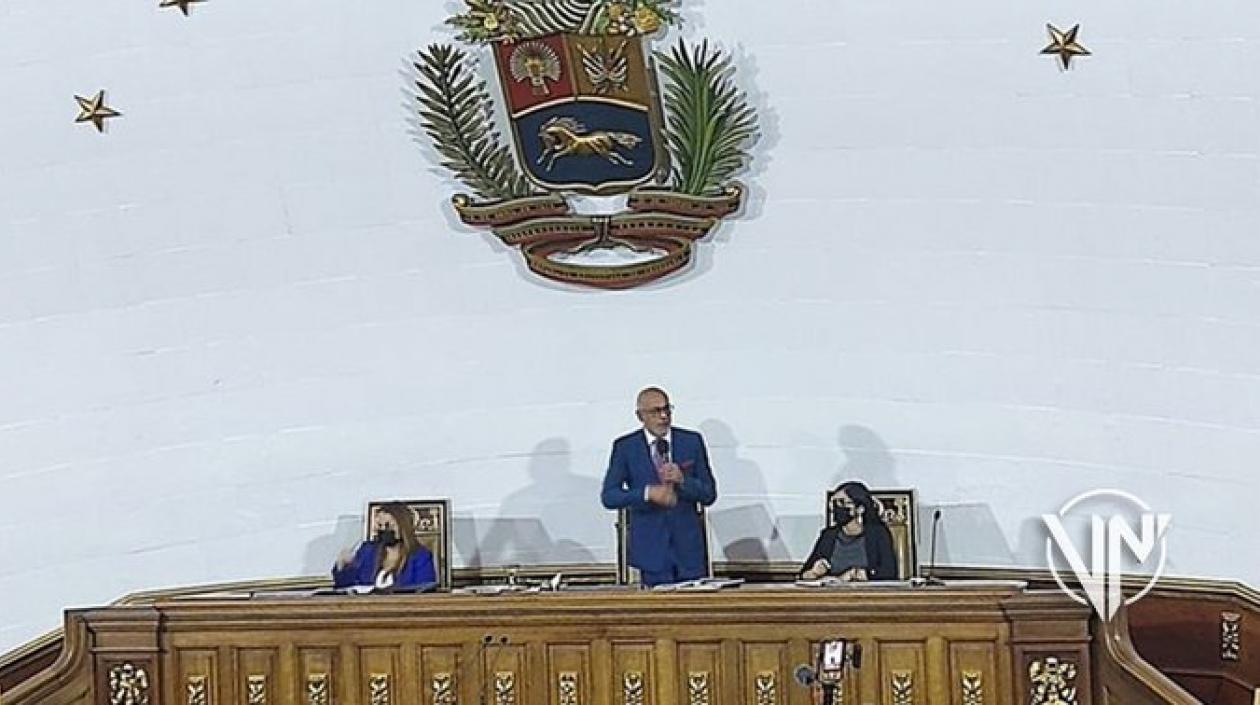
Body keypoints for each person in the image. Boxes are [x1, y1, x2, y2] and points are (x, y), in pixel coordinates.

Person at [601, 387, 718, 587]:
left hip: (689, 551)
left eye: (667, 410)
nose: (663, 417)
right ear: (640, 416)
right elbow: (610, 496)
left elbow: (709, 494)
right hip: (651, 550)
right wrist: (647, 493)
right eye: (655, 412)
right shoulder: (626, 447)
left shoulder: (691, 442)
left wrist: (683, 481)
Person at [799, 481, 898, 582]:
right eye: (834, 503)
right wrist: (814, 573)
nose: (837, 507)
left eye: (842, 502)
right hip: (833, 595)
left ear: (860, 509)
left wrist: (859, 574)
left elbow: (889, 572)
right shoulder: (828, 536)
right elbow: (803, 574)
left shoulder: (878, 534)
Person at [333, 503, 437, 591]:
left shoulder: (420, 556)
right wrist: (342, 565)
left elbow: (425, 589)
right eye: (380, 526)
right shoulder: (368, 550)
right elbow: (345, 585)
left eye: (388, 525)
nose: (384, 529)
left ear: (403, 527)